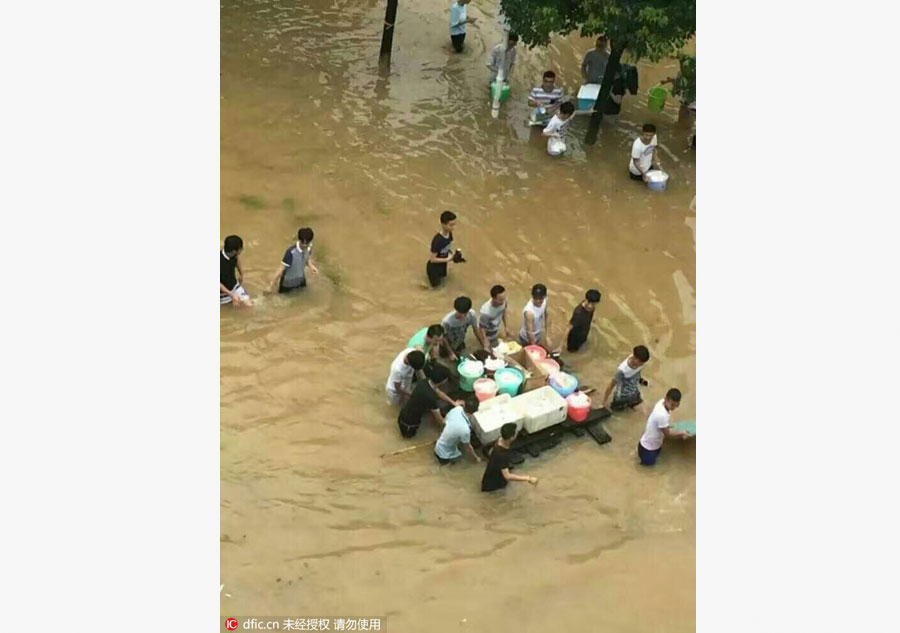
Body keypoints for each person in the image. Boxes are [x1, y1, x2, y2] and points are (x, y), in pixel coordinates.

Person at [638, 388, 692, 466]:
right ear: (666, 399)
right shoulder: (661, 415)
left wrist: (666, 426)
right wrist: (682, 432)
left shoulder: (661, 403)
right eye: (672, 405)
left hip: (646, 443)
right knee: (647, 470)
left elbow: (659, 423)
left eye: (676, 405)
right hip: (649, 450)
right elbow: (667, 434)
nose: (673, 408)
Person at [397, 364, 452, 438]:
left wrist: (453, 402)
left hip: (403, 414)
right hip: (409, 425)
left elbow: (438, 392)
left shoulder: (426, 381)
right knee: (408, 437)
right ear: (443, 381)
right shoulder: (431, 398)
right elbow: (440, 421)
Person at [481, 423, 539, 492]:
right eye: (516, 432)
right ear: (511, 438)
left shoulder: (500, 439)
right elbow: (507, 476)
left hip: (489, 476)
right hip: (494, 484)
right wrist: (528, 478)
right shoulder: (501, 455)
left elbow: (490, 452)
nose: (517, 432)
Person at [268, 227, 318, 294]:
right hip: (287, 284)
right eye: (303, 243)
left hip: (301, 281)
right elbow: (281, 269)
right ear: (299, 240)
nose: (304, 245)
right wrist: (271, 286)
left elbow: (306, 259)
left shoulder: (309, 248)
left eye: (307, 243)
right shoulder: (291, 252)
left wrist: (311, 266)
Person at [601, 345, 651, 411]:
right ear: (635, 358)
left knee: (645, 411)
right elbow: (611, 385)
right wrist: (604, 401)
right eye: (641, 363)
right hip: (621, 398)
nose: (642, 364)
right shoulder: (622, 371)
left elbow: (637, 374)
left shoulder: (639, 362)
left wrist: (642, 381)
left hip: (634, 393)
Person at [434, 397, 482, 465]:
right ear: (475, 411)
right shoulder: (465, 429)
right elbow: (467, 448)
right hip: (445, 455)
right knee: (460, 460)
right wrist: (476, 459)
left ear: (464, 405)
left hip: (438, 445)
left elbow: (444, 422)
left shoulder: (457, 409)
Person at [427, 210, 459, 288]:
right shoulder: (438, 240)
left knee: (443, 282)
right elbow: (432, 259)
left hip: (442, 265)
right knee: (435, 288)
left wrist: (453, 255)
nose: (453, 228)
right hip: (434, 268)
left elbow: (447, 247)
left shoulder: (449, 234)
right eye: (451, 225)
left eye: (454, 225)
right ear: (443, 224)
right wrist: (448, 259)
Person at [519, 283, 553, 349]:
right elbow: (529, 332)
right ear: (532, 296)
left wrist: (547, 336)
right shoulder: (529, 312)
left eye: (541, 298)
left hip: (537, 335)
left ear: (545, 296)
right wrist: (534, 347)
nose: (538, 301)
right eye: (536, 298)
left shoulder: (545, 301)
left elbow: (547, 316)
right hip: (526, 339)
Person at [220, 235, 249, 307]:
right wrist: (232, 295)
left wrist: (241, 274)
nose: (242, 250)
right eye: (241, 249)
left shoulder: (234, 255)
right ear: (234, 251)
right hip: (222, 294)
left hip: (234, 286)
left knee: (248, 305)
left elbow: (237, 259)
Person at [479, 285, 509, 349]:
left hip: (495, 330)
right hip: (487, 333)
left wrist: (506, 327)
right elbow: (482, 328)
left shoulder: (504, 302)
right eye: (500, 300)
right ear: (493, 298)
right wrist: (485, 340)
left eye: (504, 298)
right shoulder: (486, 312)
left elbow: (504, 312)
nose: (503, 301)